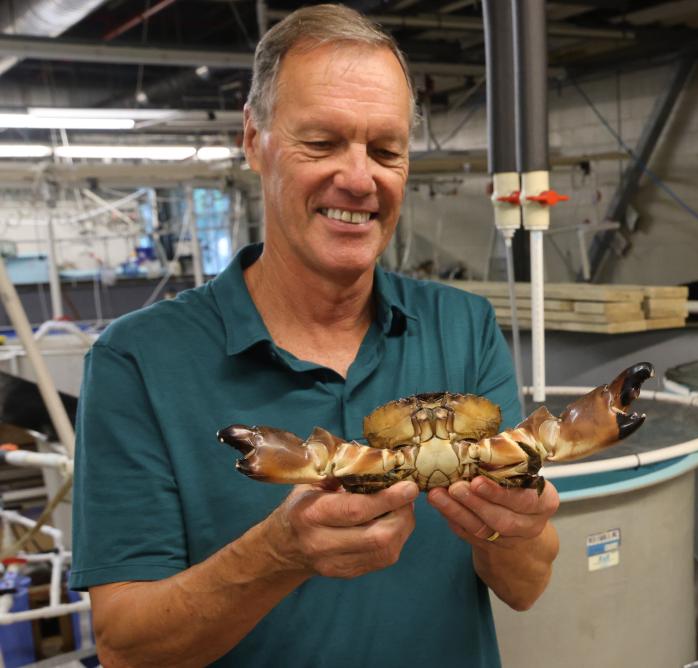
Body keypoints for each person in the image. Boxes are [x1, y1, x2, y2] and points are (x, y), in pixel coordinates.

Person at [70, 5, 560, 666]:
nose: (359, 180)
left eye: (385, 150)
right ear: (254, 139)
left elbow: (526, 589)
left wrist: (516, 530)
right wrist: (278, 554)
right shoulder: (139, 361)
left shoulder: (462, 327)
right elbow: (127, 648)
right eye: (322, 143)